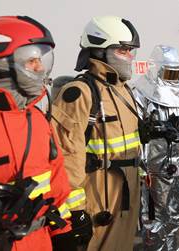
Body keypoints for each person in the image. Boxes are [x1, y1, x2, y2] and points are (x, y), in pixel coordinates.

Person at [51, 16, 142, 251]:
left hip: (127, 196)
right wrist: (75, 211)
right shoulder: (79, 94)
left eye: (130, 50)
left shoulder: (124, 92)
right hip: (98, 200)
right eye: (123, 50)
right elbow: (66, 156)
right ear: (100, 52)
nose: (130, 56)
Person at [0, 16, 72, 251]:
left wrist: (62, 230)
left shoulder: (36, 118)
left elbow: (55, 181)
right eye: (32, 60)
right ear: (0, 63)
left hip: (39, 241)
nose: (40, 68)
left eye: (41, 60)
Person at [133, 45, 179, 251]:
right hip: (153, 170)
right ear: (156, 69)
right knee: (153, 220)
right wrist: (140, 166)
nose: (172, 77)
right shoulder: (141, 94)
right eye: (168, 72)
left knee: (175, 216)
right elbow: (135, 133)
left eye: (175, 72)